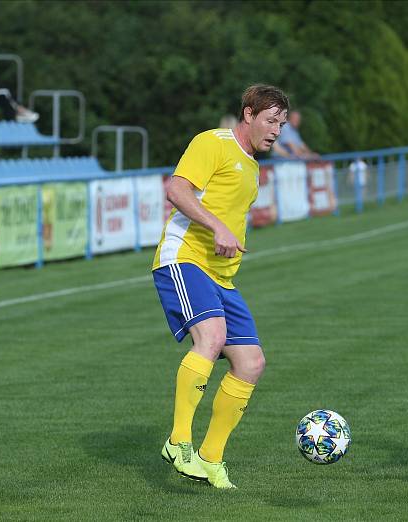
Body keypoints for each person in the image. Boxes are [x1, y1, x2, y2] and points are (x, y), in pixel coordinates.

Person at [152, 84, 289, 489]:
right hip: (184, 259)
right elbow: (175, 189)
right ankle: (178, 442)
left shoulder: (253, 166)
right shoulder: (213, 142)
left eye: (281, 123)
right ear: (248, 114)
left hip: (221, 278)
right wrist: (216, 226)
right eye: (270, 121)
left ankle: (211, 459)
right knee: (209, 338)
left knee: (251, 363)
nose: (276, 131)